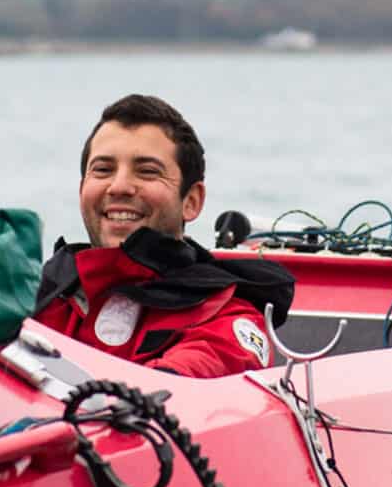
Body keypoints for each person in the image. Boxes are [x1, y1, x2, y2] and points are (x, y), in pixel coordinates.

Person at [32, 94, 295, 378]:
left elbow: (178, 388)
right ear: (83, 188)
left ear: (191, 201)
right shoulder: (37, 298)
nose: (119, 187)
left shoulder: (227, 320)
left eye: (147, 172)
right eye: (103, 170)